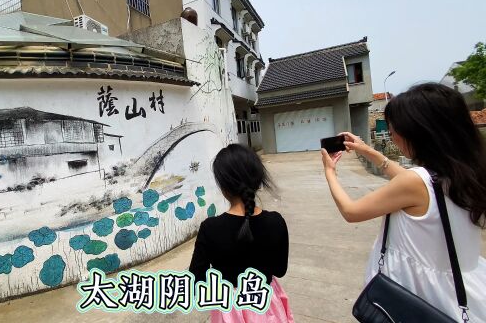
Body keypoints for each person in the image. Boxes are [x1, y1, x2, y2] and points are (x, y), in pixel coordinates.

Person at [321, 83, 486, 322]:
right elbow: (414, 182)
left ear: (419, 132)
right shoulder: (466, 172)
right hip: (462, 287)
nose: (392, 134)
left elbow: (351, 211)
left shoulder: (415, 183)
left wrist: (330, 173)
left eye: (393, 128)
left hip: (417, 292)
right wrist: (367, 150)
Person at [189, 144, 294, 323]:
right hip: (266, 304)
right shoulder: (276, 221)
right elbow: (280, 270)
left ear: (224, 188)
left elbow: (197, 280)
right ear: (258, 181)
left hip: (230, 311)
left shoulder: (210, 228)